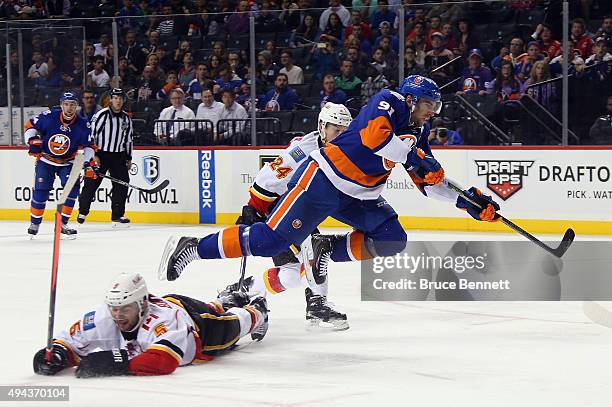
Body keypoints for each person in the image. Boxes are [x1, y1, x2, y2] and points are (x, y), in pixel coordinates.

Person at [158, 75, 501, 289]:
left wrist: (468, 201)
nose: (432, 112)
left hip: (361, 196)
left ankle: (323, 249)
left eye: (435, 107)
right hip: (324, 182)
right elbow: (375, 138)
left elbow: (427, 182)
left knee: (392, 239)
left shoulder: (418, 130)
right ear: (411, 99)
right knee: (267, 243)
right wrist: (417, 159)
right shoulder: (389, 101)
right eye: (429, 105)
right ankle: (192, 246)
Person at [224, 102, 353, 330]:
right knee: (314, 253)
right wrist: (253, 207)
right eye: (336, 129)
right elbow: (268, 176)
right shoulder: (304, 150)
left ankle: (243, 289)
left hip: (303, 210)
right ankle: (317, 307)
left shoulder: (343, 149)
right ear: (322, 126)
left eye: (345, 130)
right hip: (283, 211)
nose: (341, 134)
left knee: (293, 274)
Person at [33, 272, 269, 377]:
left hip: (198, 331)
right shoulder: (104, 316)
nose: (118, 314)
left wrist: (115, 362)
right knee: (213, 308)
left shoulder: (163, 322)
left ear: (142, 304)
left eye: (125, 308)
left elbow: (163, 362)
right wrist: (57, 355)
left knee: (236, 324)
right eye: (114, 307)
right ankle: (224, 301)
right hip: (175, 304)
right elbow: (69, 342)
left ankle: (258, 310)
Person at [24, 92, 95, 237]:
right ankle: (35, 223)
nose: (69, 108)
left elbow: (89, 146)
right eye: (67, 104)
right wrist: (31, 140)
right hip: (46, 160)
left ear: (77, 106)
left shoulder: (83, 124)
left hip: (68, 162)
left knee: (71, 191)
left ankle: (63, 224)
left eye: (73, 104)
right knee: (41, 190)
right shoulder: (49, 116)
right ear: (62, 105)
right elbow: (29, 125)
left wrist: (88, 162)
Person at [78, 89, 134, 227]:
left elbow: (128, 140)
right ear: (110, 99)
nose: (118, 101)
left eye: (120, 98)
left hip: (118, 155)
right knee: (91, 183)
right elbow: (91, 135)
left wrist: (128, 157)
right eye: (115, 98)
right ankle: (82, 212)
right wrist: (94, 155)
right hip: (101, 154)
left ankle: (117, 216)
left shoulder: (126, 118)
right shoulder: (101, 115)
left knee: (122, 183)